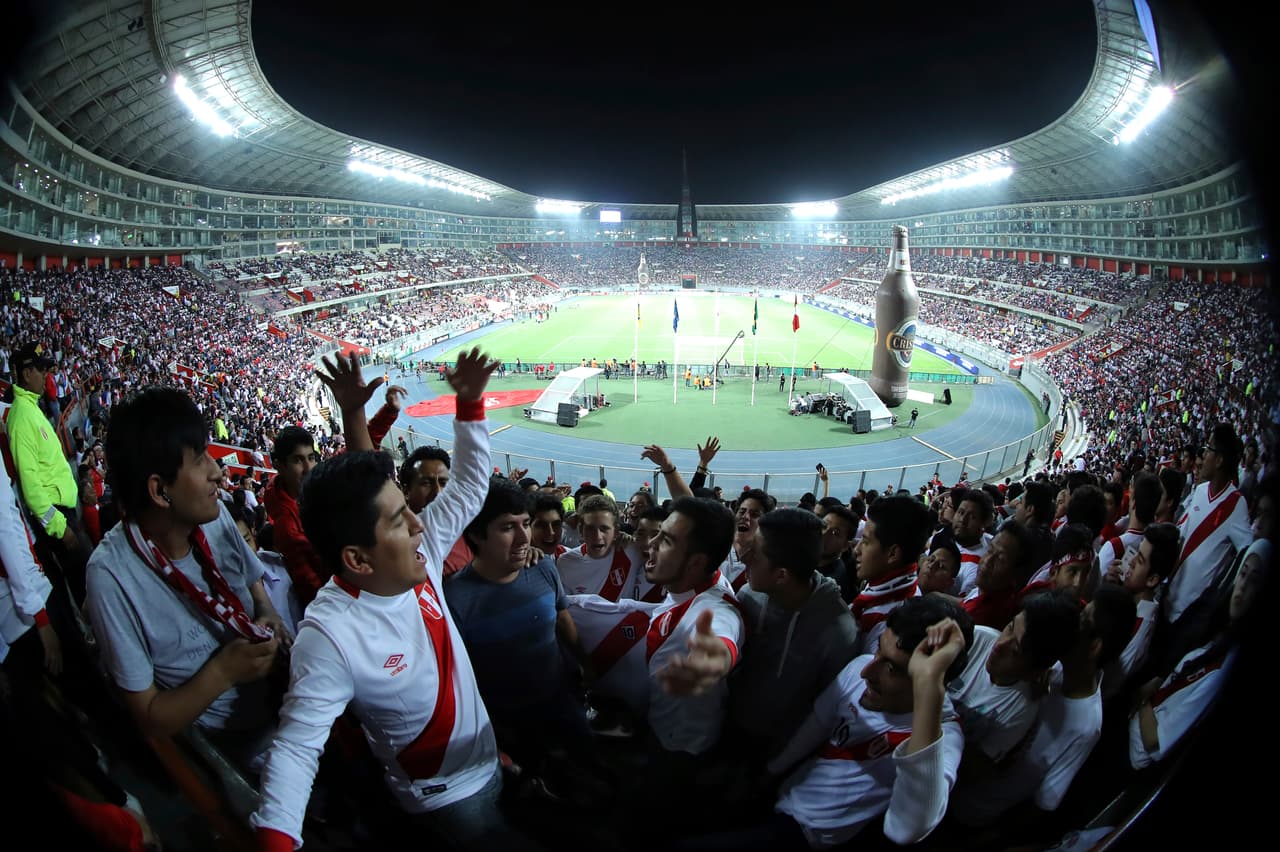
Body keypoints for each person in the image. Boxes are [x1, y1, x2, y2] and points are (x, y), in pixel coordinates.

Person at [251, 349, 520, 851]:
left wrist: (470, 405)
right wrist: (275, 840)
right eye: (400, 521)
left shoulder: (414, 554)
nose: (421, 524)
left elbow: (466, 486)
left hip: (486, 755)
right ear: (357, 559)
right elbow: (296, 747)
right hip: (446, 799)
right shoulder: (329, 635)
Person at [85, 387, 289, 769]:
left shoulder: (214, 513)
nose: (217, 471)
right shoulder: (110, 577)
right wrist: (223, 672)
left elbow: (253, 585)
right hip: (232, 746)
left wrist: (267, 613)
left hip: (287, 692)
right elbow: (149, 716)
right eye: (199, 461)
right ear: (160, 491)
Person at [761, 596, 972, 848]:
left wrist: (929, 688)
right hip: (785, 793)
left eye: (892, 669)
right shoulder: (861, 667)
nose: (867, 672)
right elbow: (816, 726)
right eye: (878, 651)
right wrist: (769, 773)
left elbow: (906, 829)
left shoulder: (943, 736)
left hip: (809, 833)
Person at [729, 508, 859, 757]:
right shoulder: (748, 595)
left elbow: (827, 714)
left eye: (755, 553)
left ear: (781, 576)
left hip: (781, 754)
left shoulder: (840, 634)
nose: (744, 557)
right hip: (731, 732)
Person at [6, 342, 87, 604]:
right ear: (26, 373)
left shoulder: (31, 408)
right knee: (85, 585)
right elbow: (31, 488)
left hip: (65, 511)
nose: (46, 377)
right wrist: (59, 527)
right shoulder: (21, 418)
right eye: (41, 371)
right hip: (59, 520)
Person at [1165, 423, 1251, 624]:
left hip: (1189, 616)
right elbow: (1180, 533)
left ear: (1220, 459)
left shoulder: (1236, 504)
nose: (1203, 456)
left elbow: (1248, 555)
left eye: (1208, 448)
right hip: (1168, 598)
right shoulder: (1201, 490)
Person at [399, 445, 473, 576]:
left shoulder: (467, 529)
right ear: (406, 490)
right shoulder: (397, 541)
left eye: (444, 483)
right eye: (426, 483)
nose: (438, 492)